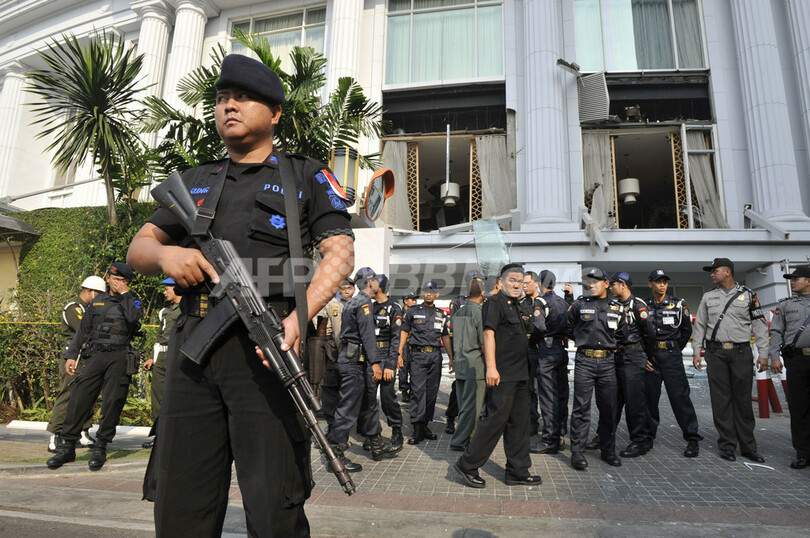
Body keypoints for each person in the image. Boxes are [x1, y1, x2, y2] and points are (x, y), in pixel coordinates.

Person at [126, 54, 355, 536]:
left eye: (243, 98)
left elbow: (339, 252)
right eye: (222, 99)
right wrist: (167, 259)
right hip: (195, 349)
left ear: (274, 113)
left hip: (270, 347)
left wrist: (300, 316)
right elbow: (139, 247)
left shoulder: (305, 175)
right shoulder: (196, 180)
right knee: (180, 503)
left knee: (276, 506)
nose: (229, 106)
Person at [46, 262, 142, 472]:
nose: (118, 283)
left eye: (123, 280)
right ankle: (68, 446)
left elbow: (133, 319)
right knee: (79, 397)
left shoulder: (133, 302)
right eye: (115, 279)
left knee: (112, 402)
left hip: (119, 356)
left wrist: (124, 293)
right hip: (96, 355)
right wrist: (72, 355)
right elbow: (83, 331)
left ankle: (101, 446)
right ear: (108, 278)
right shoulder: (96, 301)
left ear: (127, 283)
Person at [453, 264, 542, 488]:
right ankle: (467, 464)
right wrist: (491, 367)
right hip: (503, 374)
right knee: (494, 421)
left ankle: (517, 470)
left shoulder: (518, 306)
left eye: (521, 281)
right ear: (500, 282)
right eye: (512, 279)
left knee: (520, 424)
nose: (517, 284)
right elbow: (488, 334)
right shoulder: (494, 302)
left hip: (521, 374)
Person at [693, 258, 768, 463]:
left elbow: (760, 326)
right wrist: (697, 351)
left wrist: (763, 353)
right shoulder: (708, 297)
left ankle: (748, 447)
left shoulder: (748, 295)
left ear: (727, 272)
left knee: (742, 400)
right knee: (721, 401)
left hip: (741, 353)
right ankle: (727, 445)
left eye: (715, 271)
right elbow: (700, 326)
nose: (711, 274)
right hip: (716, 353)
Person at [329, 268, 400, 469]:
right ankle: (336, 453)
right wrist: (376, 363)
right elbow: (368, 336)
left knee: (369, 402)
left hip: (354, 360)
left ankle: (375, 444)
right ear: (371, 283)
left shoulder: (354, 301)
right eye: (376, 280)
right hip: (354, 362)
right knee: (347, 409)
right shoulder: (364, 303)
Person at [563, 267, 623, 471]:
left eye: (596, 281)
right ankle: (577, 452)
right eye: (589, 281)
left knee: (609, 408)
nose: (591, 284)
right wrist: (581, 340)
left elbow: (622, 334)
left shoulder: (616, 307)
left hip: (607, 363)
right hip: (585, 361)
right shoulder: (580, 304)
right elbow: (567, 326)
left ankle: (608, 450)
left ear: (606, 284)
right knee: (581, 408)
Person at [645, 268, 703, 458]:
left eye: (665, 281)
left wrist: (674, 348)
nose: (662, 285)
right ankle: (647, 437)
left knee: (680, 398)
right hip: (651, 356)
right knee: (649, 399)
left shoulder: (678, 304)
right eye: (658, 281)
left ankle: (692, 438)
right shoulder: (644, 305)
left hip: (671, 355)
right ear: (650, 284)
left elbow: (686, 330)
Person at [47, 276, 106, 453]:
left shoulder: (91, 309)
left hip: (89, 357)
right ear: (90, 291)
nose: (101, 298)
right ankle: (55, 435)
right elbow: (87, 329)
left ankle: (83, 432)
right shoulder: (73, 308)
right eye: (99, 294)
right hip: (74, 358)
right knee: (67, 395)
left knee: (88, 395)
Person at [398, 281, 453, 445]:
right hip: (418, 356)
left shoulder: (441, 314)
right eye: (426, 291)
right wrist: (399, 353)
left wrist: (451, 357)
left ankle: (425, 425)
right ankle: (416, 427)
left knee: (431, 392)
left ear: (437, 295)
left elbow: (445, 337)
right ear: (423, 293)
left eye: (432, 292)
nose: (429, 294)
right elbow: (404, 332)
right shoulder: (413, 311)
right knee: (417, 392)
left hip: (435, 356)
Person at [609, 272, 655, 458]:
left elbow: (650, 334)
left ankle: (640, 441)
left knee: (634, 402)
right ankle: (604, 436)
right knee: (613, 401)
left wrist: (647, 358)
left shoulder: (638, 305)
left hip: (633, 356)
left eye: (613, 285)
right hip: (617, 356)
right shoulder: (614, 306)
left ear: (623, 285)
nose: (610, 288)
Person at [769, 265, 810, 469]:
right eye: (791, 279)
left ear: (809, 280)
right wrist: (774, 356)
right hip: (797, 361)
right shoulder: (785, 305)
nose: (792, 281)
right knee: (799, 406)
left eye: (796, 278)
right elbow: (776, 331)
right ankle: (803, 452)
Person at [530, 270, 571, 455]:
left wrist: (536, 339)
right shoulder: (563, 302)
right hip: (562, 351)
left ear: (540, 283)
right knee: (561, 394)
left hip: (547, 352)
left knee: (547, 396)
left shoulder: (540, 302)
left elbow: (538, 326)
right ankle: (560, 434)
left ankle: (549, 439)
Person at [141, 278, 181, 449]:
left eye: (167, 289)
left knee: (176, 396)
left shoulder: (186, 311)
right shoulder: (166, 311)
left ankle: (174, 434)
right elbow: (159, 337)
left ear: (176, 289)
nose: (164, 292)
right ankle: (160, 435)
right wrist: (152, 357)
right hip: (162, 357)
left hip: (177, 356)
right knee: (157, 396)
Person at [445, 269, 486, 434]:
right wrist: (453, 357)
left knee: (475, 396)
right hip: (463, 352)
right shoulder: (457, 302)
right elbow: (454, 330)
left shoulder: (483, 301)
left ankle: (473, 426)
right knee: (458, 392)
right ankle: (451, 418)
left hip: (475, 355)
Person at [370, 274, 405, 450]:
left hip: (386, 356)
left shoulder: (394, 308)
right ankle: (373, 436)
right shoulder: (368, 307)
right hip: (370, 357)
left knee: (387, 398)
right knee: (368, 399)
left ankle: (397, 431)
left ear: (380, 288)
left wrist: (391, 364)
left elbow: (396, 338)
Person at [318, 279, 355, 434]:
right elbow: (338, 333)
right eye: (343, 289)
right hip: (334, 353)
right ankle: (333, 425)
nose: (346, 291)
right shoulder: (334, 305)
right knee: (331, 390)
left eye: (349, 288)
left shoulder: (355, 304)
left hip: (346, 353)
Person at [519, 271, 542, 436]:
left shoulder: (544, 302)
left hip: (546, 351)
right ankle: (532, 422)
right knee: (529, 389)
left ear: (537, 283)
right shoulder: (520, 304)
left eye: (527, 283)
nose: (524, 286)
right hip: (527, 350)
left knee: (548, 390)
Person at [398, 291, 417, 402]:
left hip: (413, 341)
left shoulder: (416, 312)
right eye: (412, 299)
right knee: (403, 367)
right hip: (403, 343)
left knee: (414, 367)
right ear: (406, 301)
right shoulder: (399, 313)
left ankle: (413, 390)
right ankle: (404, 390)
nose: (414, 302)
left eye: (415, 299)